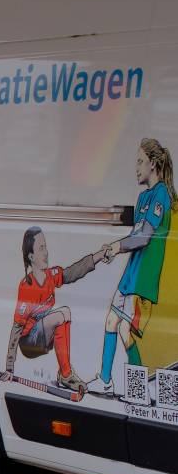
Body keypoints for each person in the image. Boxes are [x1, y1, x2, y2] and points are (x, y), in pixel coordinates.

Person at [88, 137, 174, 396]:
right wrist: (116, 248)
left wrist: (116, 247)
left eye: (140, 161)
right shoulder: (143, 197)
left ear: (153, 164)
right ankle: (108, 381)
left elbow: (144, 237)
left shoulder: (161, 195)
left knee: (125, 329)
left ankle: (137, 388)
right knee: (113, 322)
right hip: (130, 275)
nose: (136, 168)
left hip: (142, 278)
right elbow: (135, 235)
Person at [2, 227, 104, 394]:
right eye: (41, 248)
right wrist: (9, 367)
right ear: (31, 256)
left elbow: (73, 272)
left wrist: (98, 256)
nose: (46, 253)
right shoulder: (27, 286)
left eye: (46, 247)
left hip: (43, 337)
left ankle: (65, 372)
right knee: (62, 314)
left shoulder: (51, 276)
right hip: (29, 343)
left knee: (65, 315)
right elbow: (17, 328)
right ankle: (66, 375)